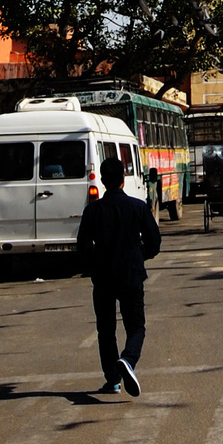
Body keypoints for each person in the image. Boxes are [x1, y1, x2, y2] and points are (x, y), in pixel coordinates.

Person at [74, 154, 161, 396]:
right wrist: (137, 255)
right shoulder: (138, 207)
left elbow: (82, 247)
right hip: (131, 276)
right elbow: (154, 243)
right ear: (123, 179)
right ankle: (128, 360)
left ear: (103, 181)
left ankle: (113, 379)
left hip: (103, 278)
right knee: (136, 327)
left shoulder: (93, 211)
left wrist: (93, 266)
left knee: (106, 329)